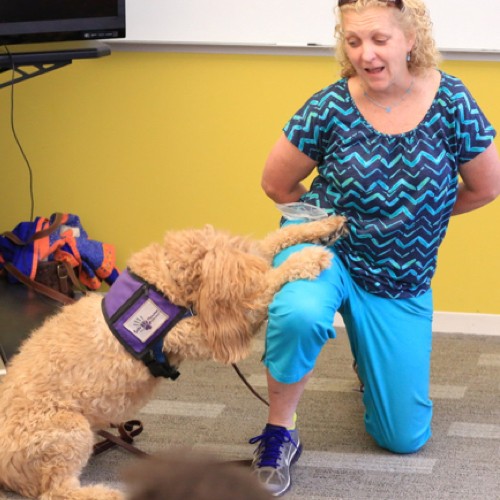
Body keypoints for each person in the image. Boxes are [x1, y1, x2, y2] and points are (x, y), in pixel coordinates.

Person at [248, 0, 500, 496]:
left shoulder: (452, 102)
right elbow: (277, 184)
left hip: (400, 275)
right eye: (353, 40)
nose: (366, 54)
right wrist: (327, 224)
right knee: (299, 312)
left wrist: (418, 219)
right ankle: (280, 432)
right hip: (328, 250)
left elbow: (486, 186)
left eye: (379, 40)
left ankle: (369, 363)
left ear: (411, 38)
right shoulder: (330, 105)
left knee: (404, 438)